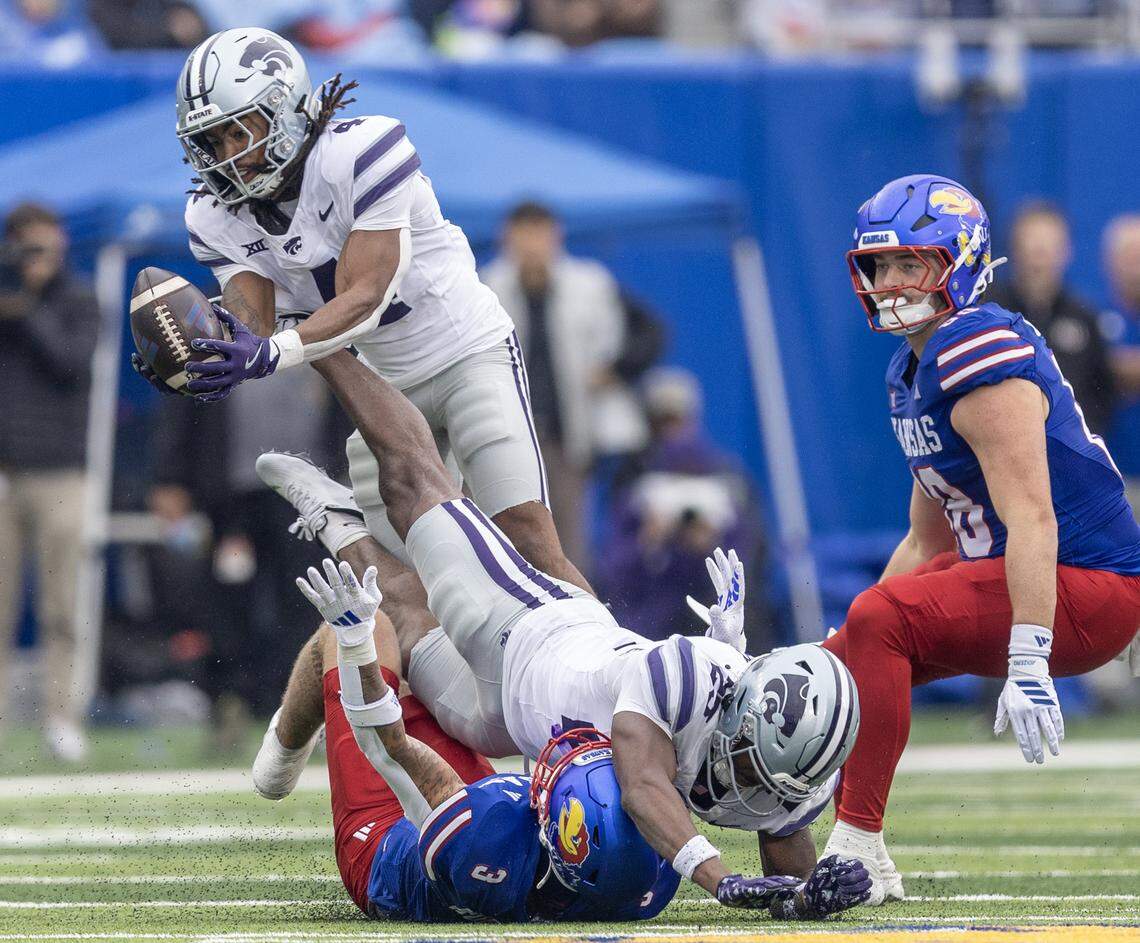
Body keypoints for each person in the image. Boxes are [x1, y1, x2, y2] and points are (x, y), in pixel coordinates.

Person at [253, 347, 870, 921]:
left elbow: (783, 852)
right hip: (531, 631)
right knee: (415, 486)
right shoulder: (685, 677)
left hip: (500, 723)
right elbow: (642, 782)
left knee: (404, 621)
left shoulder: (783, 787)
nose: (752, 783)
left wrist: (800, 898)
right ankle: (325, 351)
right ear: (742, 703)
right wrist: (720, 879)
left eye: (769, 781)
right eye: (753, 760)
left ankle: (339, 524)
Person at [132, 28, 589, 596]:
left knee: (527, 540)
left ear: (285, 108)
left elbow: (365, 297)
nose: (229, 157)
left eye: (237, 132)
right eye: (212, 142)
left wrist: (271, 351)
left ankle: (631, 675)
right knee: (397, 584)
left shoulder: (363, 151)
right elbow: (255, 321)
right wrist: (205, 353)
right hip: (383, 389)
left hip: (468, 355)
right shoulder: (211, 213)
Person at [821, 173, 1140, 905]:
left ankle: (860, 847)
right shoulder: (913, 365)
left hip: (1091, 584)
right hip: (1033, 573)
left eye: (909, 263)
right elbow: (924, 536)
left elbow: (1034, 517)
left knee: (879, 620)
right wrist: (840, 652)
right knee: (837, 663)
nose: (889, 281)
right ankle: (809, 831)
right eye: (880, 265)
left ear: (956, 263)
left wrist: (1028, 659)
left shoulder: (976, 345)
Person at [253, 558, 681, 922]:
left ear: (556, 833)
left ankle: (280, 757)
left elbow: (385, 745)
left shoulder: (484, 839)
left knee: (374, 632)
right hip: (485, 827)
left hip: (387, 845)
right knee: (435, 643)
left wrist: (354, 642)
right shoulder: (642, 880)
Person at [482, 202, 648, 573]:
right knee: (507, 529)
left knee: (569, 535)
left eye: (539, 234)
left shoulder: (588, 284)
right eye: (523, 234)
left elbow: (644, 333)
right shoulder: (487, 286)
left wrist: (613, 370)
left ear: (555, 236)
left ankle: (578, 616)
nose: (532, 245)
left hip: (564, 433)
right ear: (507, 238)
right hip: (508, 430)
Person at [0, 202, 99, 763]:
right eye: (27, 249)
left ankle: (61, 717)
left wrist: (30, 304)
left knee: (62, 604)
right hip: (5, 475)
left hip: (62, 472)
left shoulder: (77, 299)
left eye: (47, 248)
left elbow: (69, 360)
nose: (38, 259)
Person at [987, 200, 1115, 434]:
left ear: (1067, 251)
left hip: (1071, 453)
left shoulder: (1084, 317)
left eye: (1048, 245)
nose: (1039, 254)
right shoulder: (988, 312)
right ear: (1015, 249)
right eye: (1032, 243)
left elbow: (1102, 391)